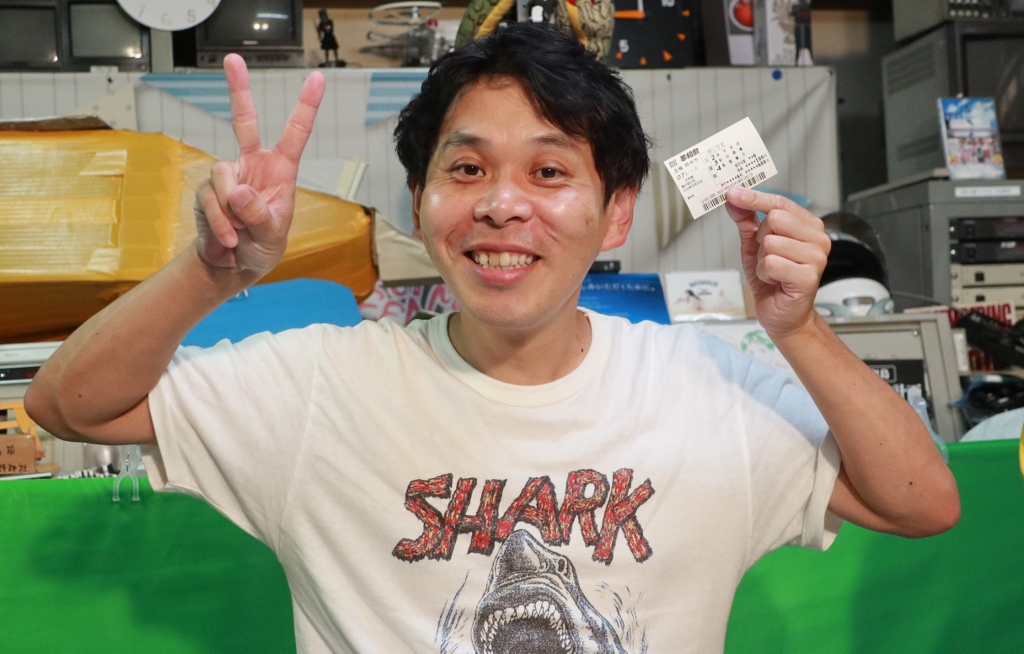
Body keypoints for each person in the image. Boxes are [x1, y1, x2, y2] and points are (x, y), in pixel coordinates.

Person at [26, 22, 959, 654]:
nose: (503, 205)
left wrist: (799, 328)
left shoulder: (710, 389)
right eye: (466, 169)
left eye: (549, 172)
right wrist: (214, 269)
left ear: (616, 211)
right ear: (421, 201)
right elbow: (68, 405)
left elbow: (922, 502)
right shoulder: (320, 385)